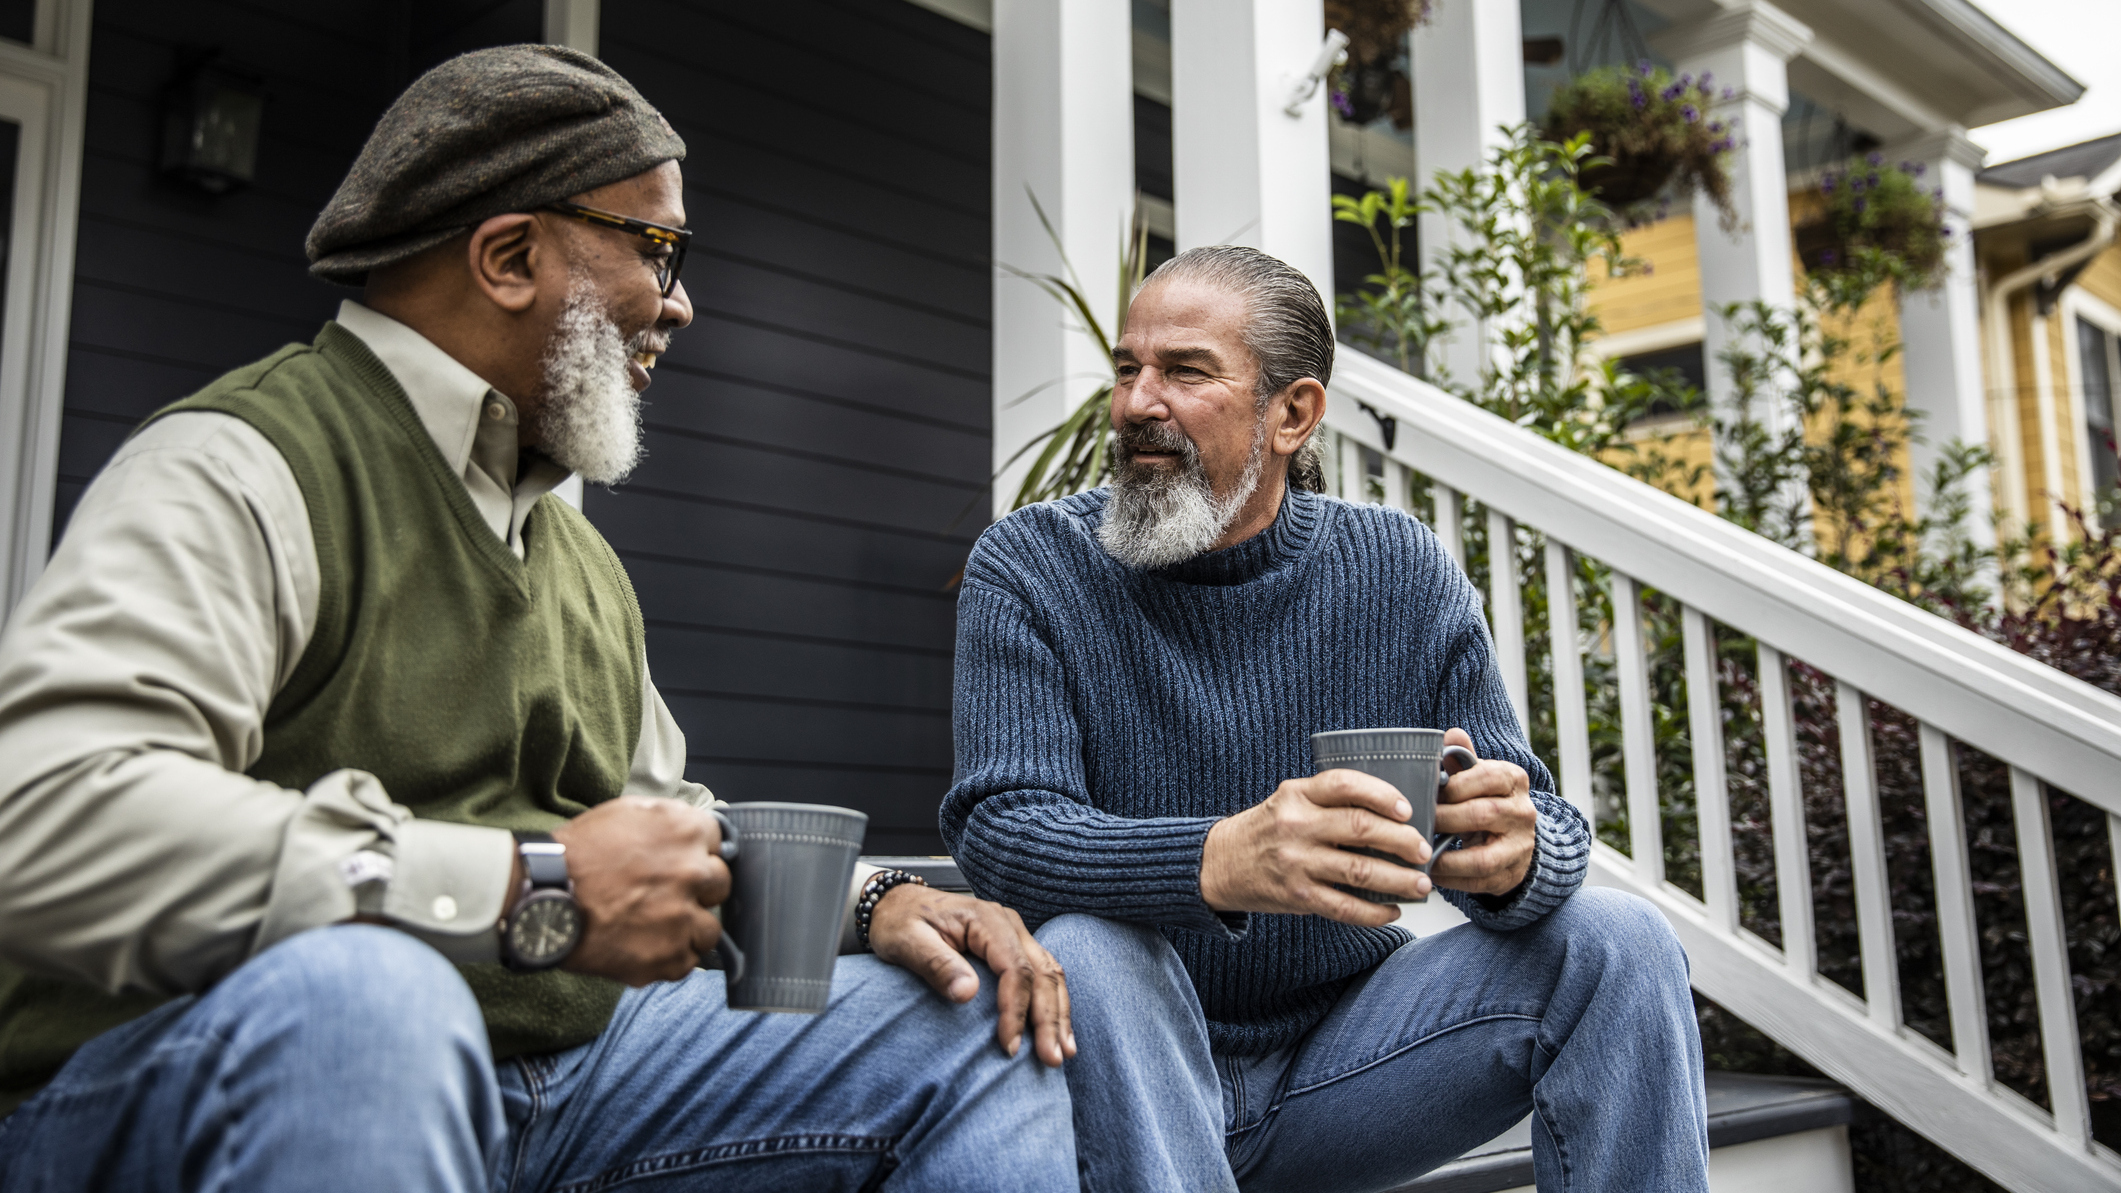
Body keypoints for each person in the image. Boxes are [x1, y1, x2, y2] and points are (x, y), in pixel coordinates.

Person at [0, 46, 1082, 1193]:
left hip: (562, 1076)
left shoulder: (577, 556)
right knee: (372, 996)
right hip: (177, 1084)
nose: (681, 301)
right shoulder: (244, 466)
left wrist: (881, 898)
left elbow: (671, 833)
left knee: (970, 1024)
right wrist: (532, 884)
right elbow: (42, 815)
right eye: (657, 249)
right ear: (511, 256)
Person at [947, 244, 1712, 1192]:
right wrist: (1222, 858)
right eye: (1126, 368)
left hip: (1349, 1064)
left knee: (1621, 942)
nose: (1136, 403)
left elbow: (1537, 815)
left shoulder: (1396, 567)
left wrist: (1516, 857)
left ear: (1292, 414)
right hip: (1117, 1063)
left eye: (1184, 371)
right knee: (1091, 949)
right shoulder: (1030, 564)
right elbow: (1001, 829)